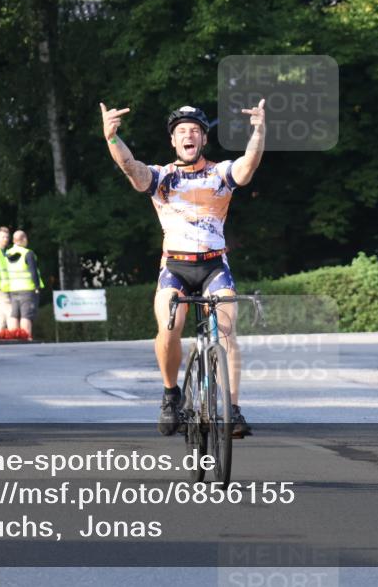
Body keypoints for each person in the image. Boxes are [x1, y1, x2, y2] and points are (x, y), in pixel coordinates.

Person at [100, 99, 266, 437]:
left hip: (214, 266)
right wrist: (112, 138)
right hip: (174, 267)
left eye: (194, 131)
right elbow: (131, 167)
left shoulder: (220, 173)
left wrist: (259, 132)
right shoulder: (161, 176)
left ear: (203, 139)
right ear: (173, 141)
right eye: (181, 132)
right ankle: (170, 394)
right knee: (169, 326)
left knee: (228, 333)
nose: (188, 135)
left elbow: (248, 166)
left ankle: (233, 411)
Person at [4, 230, 44, 336]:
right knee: (26, 315)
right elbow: (33, 271)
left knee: (14, 315)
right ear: (24, 239)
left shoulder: (7, 254)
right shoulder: (28, 253)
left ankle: (14, 338)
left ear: (13, 240)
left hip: (13, 289)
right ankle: (26, 337)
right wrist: (37, 286)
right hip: (27, 289)